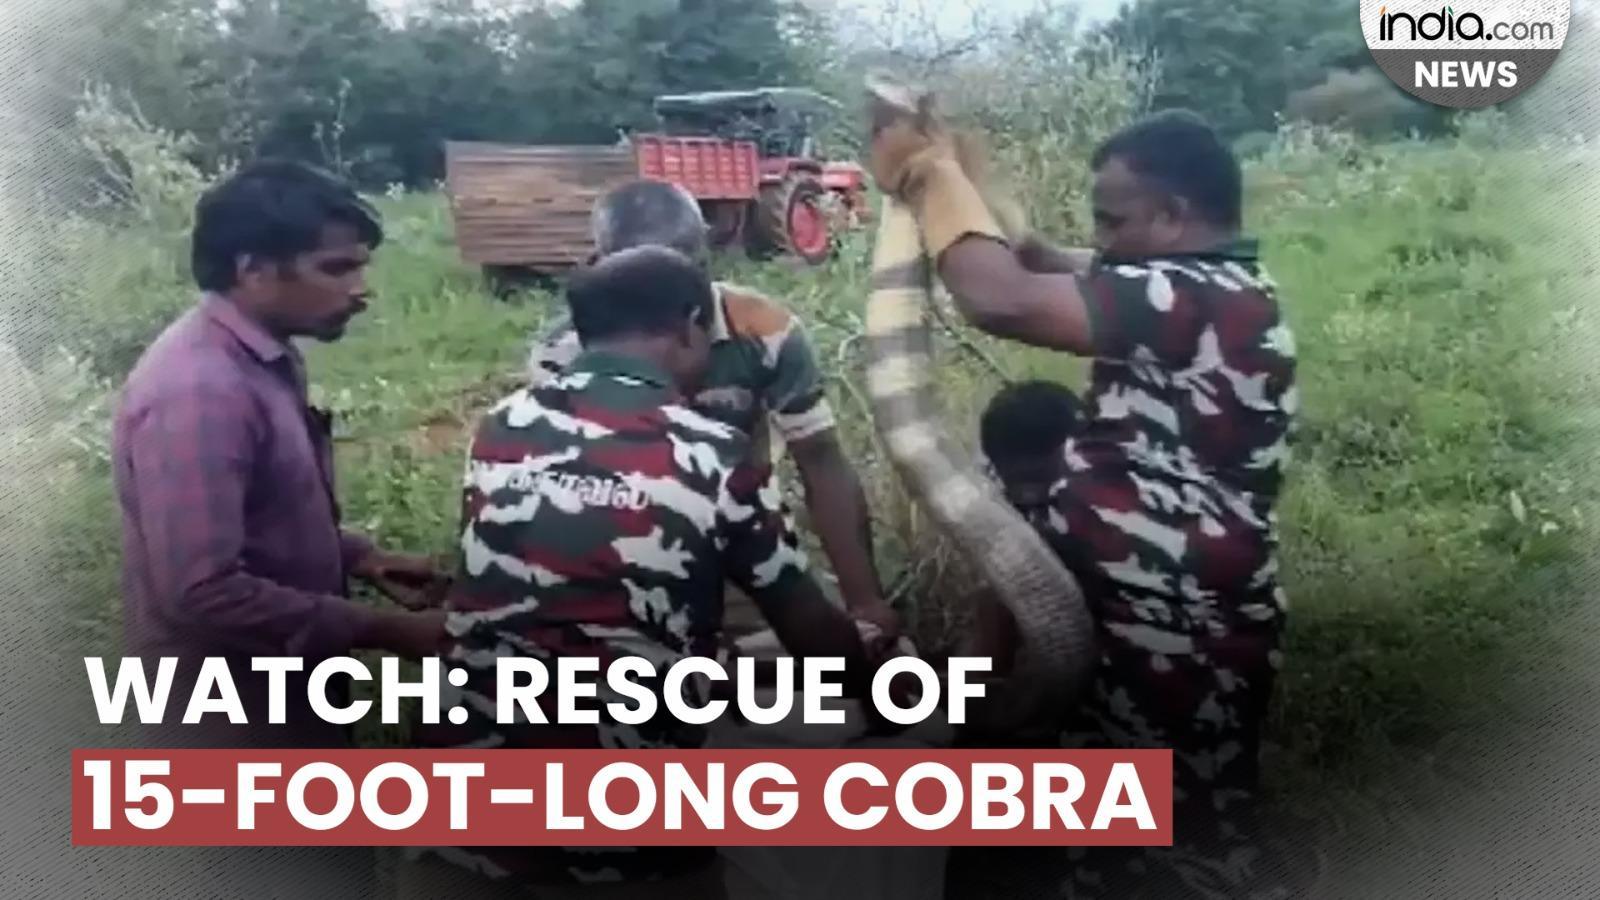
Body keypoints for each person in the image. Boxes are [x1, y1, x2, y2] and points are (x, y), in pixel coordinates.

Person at [868, 108, 1299, 895]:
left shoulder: (1198, 294)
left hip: (1183, 639)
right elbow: (1035, 262)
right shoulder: (1193, 285)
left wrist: (928, 179)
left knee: (1188, 849)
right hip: (1138, 630)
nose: (1099, 240)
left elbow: (999, 299)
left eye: (1113, 220)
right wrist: (962, 178)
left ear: (1173, 218)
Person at [400, 245, 898, 900]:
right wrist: (874, 664)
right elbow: (812, 637)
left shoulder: (500, 429)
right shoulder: (712, 453)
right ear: (692, 324)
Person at [110, 159, 449, 895]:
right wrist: (383, 631)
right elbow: (201, 591)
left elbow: (263, 512)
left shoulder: (264, 358)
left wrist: (362, 557)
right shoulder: (200, 391)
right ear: (253, 268)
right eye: (337, 267)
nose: (361, 289)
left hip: (280, 695)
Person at [526, 180, 897, 648]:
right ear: (603, 266)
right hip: (620, 568)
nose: (680, 305)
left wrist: (865, 603)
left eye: (689, 274)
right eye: (648, 284)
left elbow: (820, 458)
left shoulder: (764, 330)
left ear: (707, 257)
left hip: (748, 563)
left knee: (866, 655)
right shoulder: (562, 354)